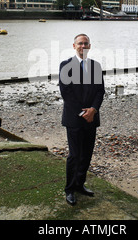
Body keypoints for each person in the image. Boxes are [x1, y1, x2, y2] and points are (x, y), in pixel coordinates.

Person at [59, 34, 105, 206]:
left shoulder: (96, 66)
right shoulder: (65, 66)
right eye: (80, 43)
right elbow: (66, 93)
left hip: (92, 118)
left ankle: (80, 185)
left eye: (86, 43)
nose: (83, 46)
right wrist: (82, 113)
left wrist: (93, 110)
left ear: (89, 46)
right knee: (74, 155)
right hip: (74, 118)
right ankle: (69, 189)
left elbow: (100, 91)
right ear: (74, 46)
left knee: (86, 154)